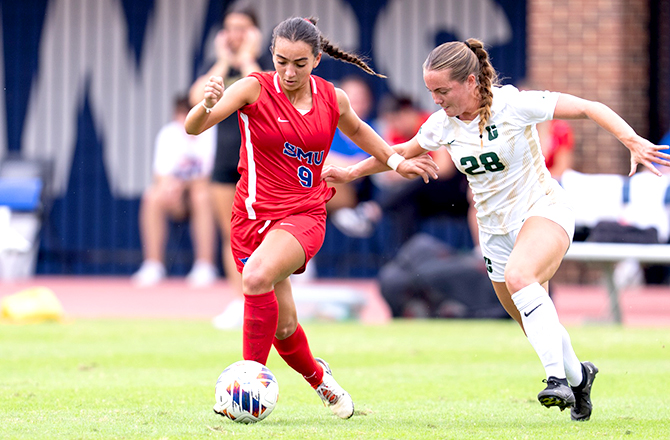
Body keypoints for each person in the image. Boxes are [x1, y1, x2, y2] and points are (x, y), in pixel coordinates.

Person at [323, 38, 670, 421]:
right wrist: (352, 172)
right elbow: (399, 153)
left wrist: (631, 139)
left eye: (442, 90)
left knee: (520, 277)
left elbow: (588, 107)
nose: (435, 99)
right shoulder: (442, 125)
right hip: (494, 232)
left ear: (471, 82)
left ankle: (554, 379)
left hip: (543, 210)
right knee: (530, 320)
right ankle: (578, 378)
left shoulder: (512, 104)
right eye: (430, 91)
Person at [185, 16, 437, 419]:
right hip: (250, 218)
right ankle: (322, 381)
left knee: (254, 279)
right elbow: (193, 127)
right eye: (281, 61)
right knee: (284, 328)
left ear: (317, 59)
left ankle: (248, 384)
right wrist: (207, 103)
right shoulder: (252, 87)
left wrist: (393, 160)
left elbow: (358, 131)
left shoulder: (331, 98)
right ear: (271, 55)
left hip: (303, 214)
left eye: (299, 63)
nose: (289, 72)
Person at [188, 5, 271, 327]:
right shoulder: (218, 70)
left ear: (256, 33)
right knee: (232, 234)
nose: (235, 35)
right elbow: (197, 100)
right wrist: (223, 60)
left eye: (243, 28)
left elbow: (265, 93)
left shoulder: (268, 64)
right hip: (225, 161)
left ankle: (266, 301)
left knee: (267, 236)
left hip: (263, 164)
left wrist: (249, 54)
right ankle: (241, 302)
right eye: (230, 28)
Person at [132, 95, 218, 287]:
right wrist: (171, 187)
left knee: (201, 196)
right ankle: (153, 265)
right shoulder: (168, 134)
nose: (183, 121)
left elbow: (209, 176)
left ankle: (205, 265)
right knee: (152, 196)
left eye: (187, 114)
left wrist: (183, 184)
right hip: (176, 197)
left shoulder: (211, 131)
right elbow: (160, 174)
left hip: (203, 196)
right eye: (179, 115)